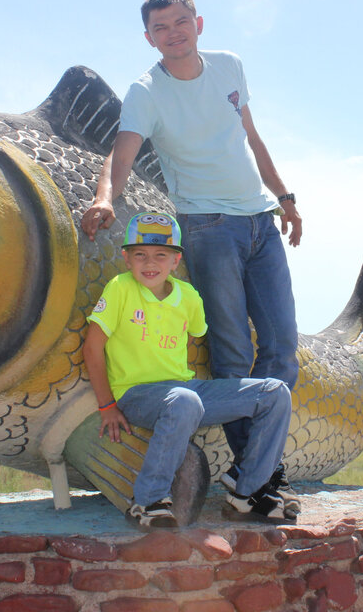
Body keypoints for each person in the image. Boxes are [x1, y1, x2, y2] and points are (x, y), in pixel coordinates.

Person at [80, 0, 302, 510]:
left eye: (181, 21)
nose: (172, 32)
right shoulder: (146, 91)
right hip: (207, 226)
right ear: (149, 38)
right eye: (161, 27)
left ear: (198, 23)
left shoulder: (229, 67)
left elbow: (251, 136)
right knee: (232, 351)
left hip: (260, 222)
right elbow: (123, 150)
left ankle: (253, 474)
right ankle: (261, 482)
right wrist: (104, 198)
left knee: (281, 350)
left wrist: (285, 198)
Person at [83, 212, 294, 527]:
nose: (149, 263)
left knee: (275, 393)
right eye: (140, 255)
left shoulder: (190, 298)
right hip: (138, 395)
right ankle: (147, 501)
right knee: (184, 400)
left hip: (186, 392)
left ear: (176, 261)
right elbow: (92, 347)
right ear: (126, 259)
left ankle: (247, 492)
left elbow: (196, 332)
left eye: (160, 255)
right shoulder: (120, 289)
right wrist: (107, 405)